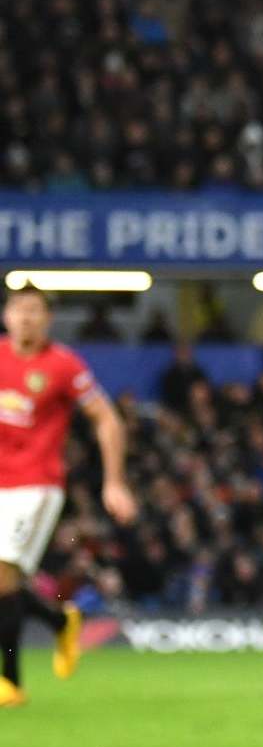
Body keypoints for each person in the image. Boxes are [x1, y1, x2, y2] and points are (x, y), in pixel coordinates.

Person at [0, 286, 136, 707]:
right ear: (6, 315)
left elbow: (106, 419)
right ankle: (59, 622)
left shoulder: (63, 365)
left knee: (2, 576)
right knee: (4, 584)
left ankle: (10, 683)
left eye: (34, 311)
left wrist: (114, 481)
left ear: (47, 320)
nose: (26, 319)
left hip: (36, 484)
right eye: (19, 310)